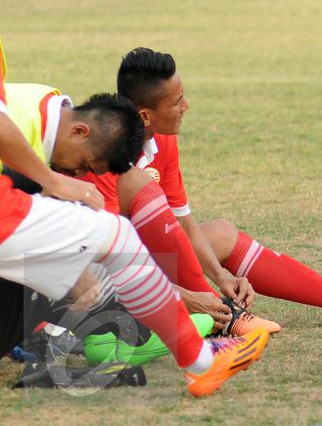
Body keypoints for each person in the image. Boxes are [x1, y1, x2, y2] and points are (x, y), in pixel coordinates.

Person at [88, 48, 322, 333]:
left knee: (221, 234)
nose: (186, 106)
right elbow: (107, 256)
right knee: (142, 191)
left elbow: (182, 222)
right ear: (145, 116)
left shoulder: (163, 140)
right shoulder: (103, 153)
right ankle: (221, 316)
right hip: (95, 276)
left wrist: (222, 277)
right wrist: (192, 296)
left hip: (139, 260)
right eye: (176, 101)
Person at [0, 86, 269, 396]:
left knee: (91, 259)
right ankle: (203, 361)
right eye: (86, 165)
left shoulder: (44, 109)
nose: (77, 173)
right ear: (79, 131)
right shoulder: (28, 124)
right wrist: (53, 182)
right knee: (116, 235)